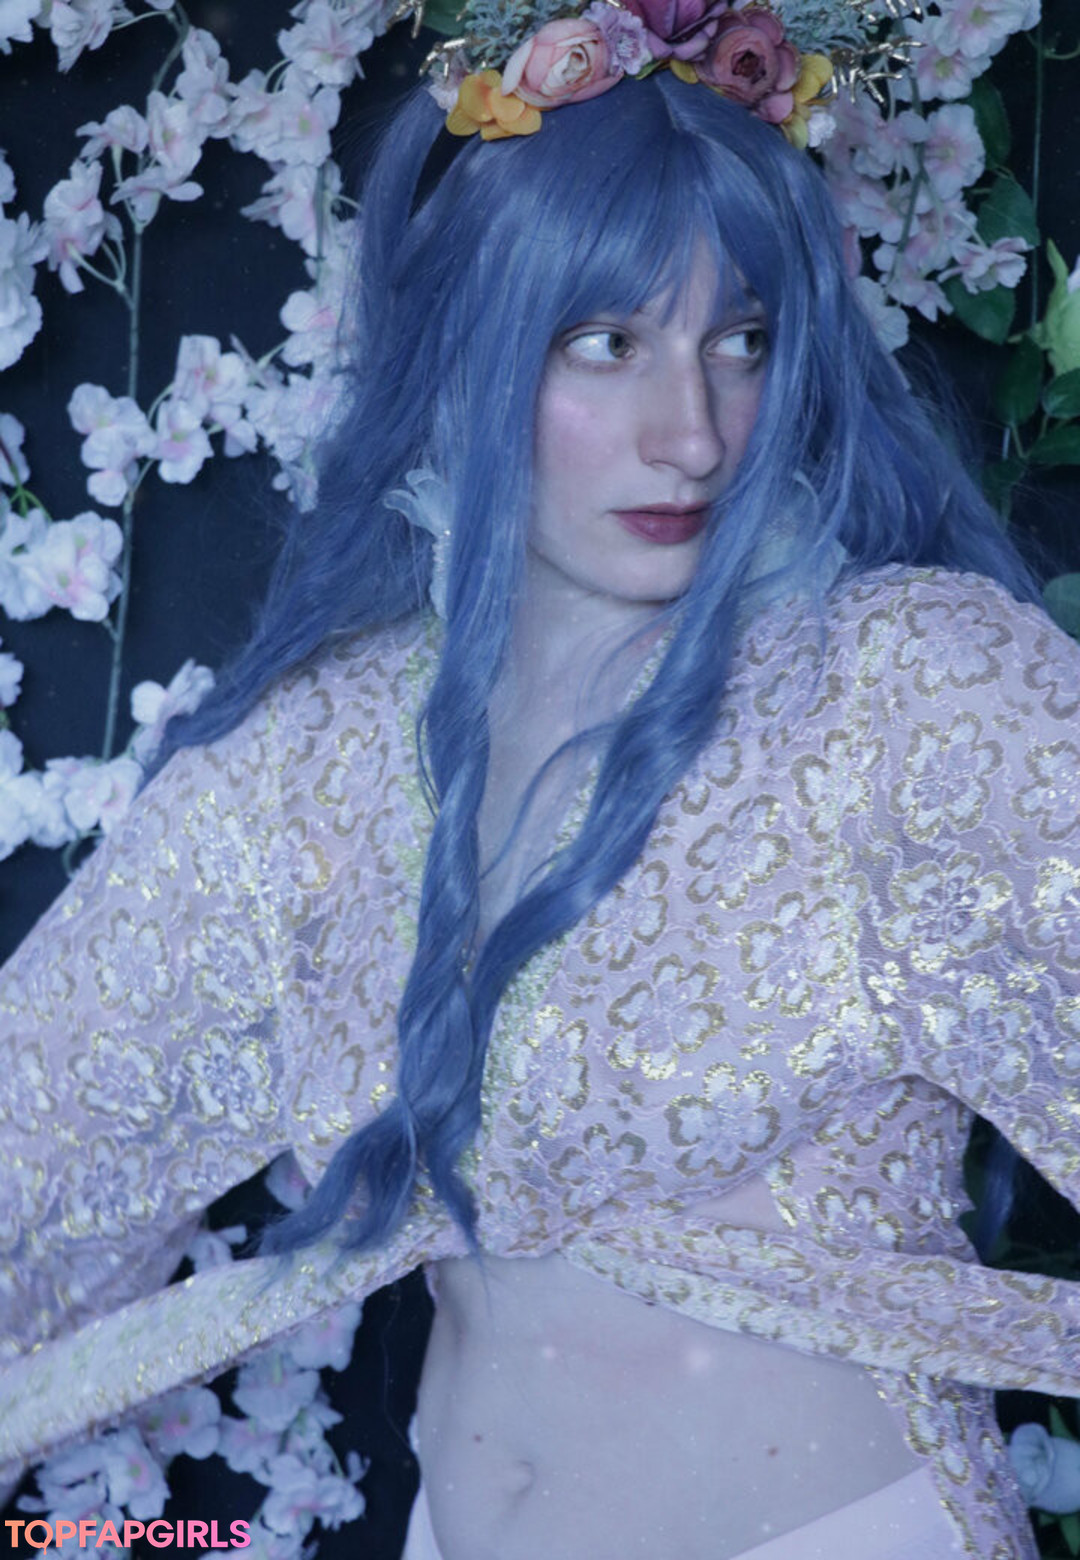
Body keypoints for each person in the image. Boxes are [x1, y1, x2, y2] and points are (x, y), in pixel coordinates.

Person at [1, 49, 1079, 1560]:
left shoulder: (905, 691)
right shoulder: (316, 754)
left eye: (743, 340)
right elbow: (33, 1139)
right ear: (467, 347)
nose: (693, 431)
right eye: (606, 341)